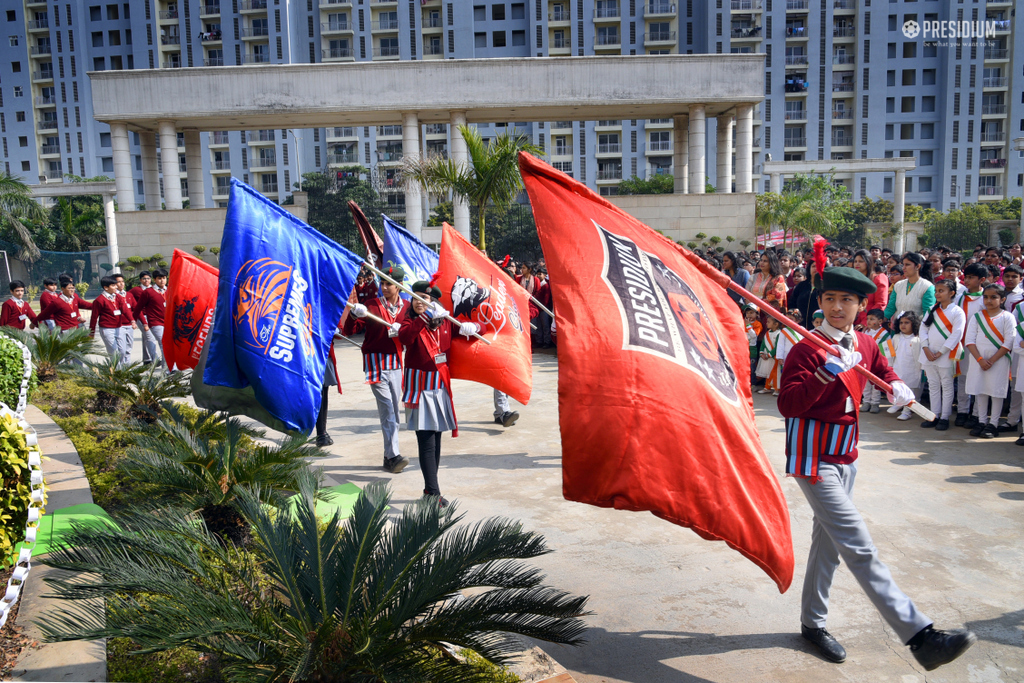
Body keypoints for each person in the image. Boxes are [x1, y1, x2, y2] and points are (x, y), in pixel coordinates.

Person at [777, 266, 976, 670]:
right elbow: (788, 404)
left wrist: (896, 385)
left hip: (847, 454)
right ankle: (921, 636)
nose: (837, 307)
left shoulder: (865, 343)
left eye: (846, 300)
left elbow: (881, 369)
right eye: (830, 298)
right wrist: (822, 374)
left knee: (829, 546)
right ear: (819, 303)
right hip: (813, 459)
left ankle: (812, 624)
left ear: (861, 306)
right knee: (858, 545)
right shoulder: (808, 349)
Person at [398, 279, 481, 506]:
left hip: (440, 386)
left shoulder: (445, 321)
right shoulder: (409, 320)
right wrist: (424, 318)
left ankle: (429, 491)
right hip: (419, 388)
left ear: (433, 300)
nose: (418, 302)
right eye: (415, 297)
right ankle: (433, 493)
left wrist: (473, 328)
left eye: (424, 298)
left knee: (436, 440)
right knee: (425, 441)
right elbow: (405, 337)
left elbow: (473, 326)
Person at [350, 264, 412, 473]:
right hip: (375, 363)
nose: (384, 287)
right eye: (382, 283)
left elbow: (413, 336)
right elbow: (351, 330)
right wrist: (354, 314)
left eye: (389, 284)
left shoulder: (407, 308)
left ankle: (388, 457)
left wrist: (403, 331)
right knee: (388, 409)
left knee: (394, 409)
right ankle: (394, 455)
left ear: (400, 286)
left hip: (395, 363)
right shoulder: (372, 304)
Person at [964, 284, 1016, 439]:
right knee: (980, 389)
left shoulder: (1007, 317)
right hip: (978, 360)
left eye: (994, 297)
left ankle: (993, 423)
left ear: (1002, 299)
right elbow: (970, 340)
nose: (989, 300)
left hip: (998, 361)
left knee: (996, 392)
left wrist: (992, 360)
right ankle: (981, 421)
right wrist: (980, 359)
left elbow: (1008, 342)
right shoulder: (977, 317)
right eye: (986, 297)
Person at [919, 279, 966, 431]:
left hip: (946, 354)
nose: (937, 294)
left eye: (941, 291)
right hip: (928, 353)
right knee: (933, 384)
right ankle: (934, 415)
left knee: (946, 385)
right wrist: (925, 348)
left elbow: (957, 334)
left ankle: (945, 417)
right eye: (936, 291)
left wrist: (941, 351)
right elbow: (923, 329)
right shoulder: (931, 309)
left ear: (951, 293)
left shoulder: (957, 311)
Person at [954, 263, 988, 428]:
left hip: (978, 345)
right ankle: (962, 411)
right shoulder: (960, 297)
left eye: (971, 277)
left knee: (978, 379)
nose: (967, 280)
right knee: (963, 378)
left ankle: (976, 414)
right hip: (962, 345)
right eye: (966, 277)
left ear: (981, 280)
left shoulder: (985, 299)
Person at [89, 275, 136, 364]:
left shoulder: (118, 297)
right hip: (107, 329)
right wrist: (92, 332)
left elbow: (125, 309)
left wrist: (132, 321)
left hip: (119, 327)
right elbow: (94, 317)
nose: (116, 287)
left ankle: (121, 370)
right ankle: (117, 373)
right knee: (114, 353)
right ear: (106, 288)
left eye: (115, 285)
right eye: (113, 285)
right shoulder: (99, 300)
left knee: (122, 351)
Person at [886, 312, 922, 421]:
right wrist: (889, 366)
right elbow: (890, 353)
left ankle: (907, 411)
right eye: (901, 322)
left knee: (910, 389)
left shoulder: (917, 339)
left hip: (912, 369)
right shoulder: (896, 337)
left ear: (914, 324)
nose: (903, 325)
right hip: (898, 367)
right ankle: (899, 403)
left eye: (907, 322)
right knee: (899, 386)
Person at [884, 253, 935, 320]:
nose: (903, 268)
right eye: (903, 264)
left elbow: (928, 314)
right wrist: (877, 322)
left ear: (917, 266)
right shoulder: (898, 285)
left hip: (917, 328)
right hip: (898, 327)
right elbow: (890, 308)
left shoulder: (927, 287)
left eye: (907, 265)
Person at [860, 309, 891, 413]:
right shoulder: (865, 332)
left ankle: (875, 403)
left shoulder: (885, 334)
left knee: (876, 384)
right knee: (866, 384)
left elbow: (887, 351)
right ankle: (866, 402)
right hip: (865, 362)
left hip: (877, 363)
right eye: (868, 318)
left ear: (880, 321)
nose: (868, 321)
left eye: (872, 319)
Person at [135, 268, 167, 366]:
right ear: (155, 279)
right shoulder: (148, 292)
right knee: (164, 344)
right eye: (159, 278)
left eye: (164, 278)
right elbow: (138, 308)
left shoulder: (170, 290)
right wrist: (133, 320)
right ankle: (169, 368)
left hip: (168, 322)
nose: (162, 280)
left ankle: (167, 368)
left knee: (170, 345)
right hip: (155, 322)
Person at [852, 249, 888, 327]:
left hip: (870, 325)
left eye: (861, 261)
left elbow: (880, 304)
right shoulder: (853, 280)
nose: (857, 264)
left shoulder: (879, 278)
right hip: (853, 321)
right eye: (855, 261)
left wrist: (866, 322)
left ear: (868, 262)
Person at [130, 272, 155, 364]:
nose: (146, 280)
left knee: (146, 337)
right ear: (140, 280)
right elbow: (127, 297)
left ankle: (146, 359)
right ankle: (154, 358)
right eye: (144, 279)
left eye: (148, 278)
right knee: (149, 336)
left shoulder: (154, 289)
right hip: (141, 316)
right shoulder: (136, 290)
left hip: (152, 315)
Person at [113, 273, 137, 363]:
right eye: (118, 282)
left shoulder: (129, 295)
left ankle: (128, 366)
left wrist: (143, 322)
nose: (121, 284)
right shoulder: (114, 296)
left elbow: (136, 308)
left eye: (122, 281)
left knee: (129, 347)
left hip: (129, 325)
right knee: (121, 349)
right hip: (120, 325)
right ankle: (122, 367)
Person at [756, 316, 782, 394]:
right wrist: (761, 353)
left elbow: (777, 347)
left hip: (773, 357)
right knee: (768, 372)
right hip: (766, 356)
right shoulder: (767, 333)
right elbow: (763, 343)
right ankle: (767, 387)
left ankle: (777, 389)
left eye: (768, 322)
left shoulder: (779, 333)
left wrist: (769, 355)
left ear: (776, 324)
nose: (766, 323)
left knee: (775, 373)